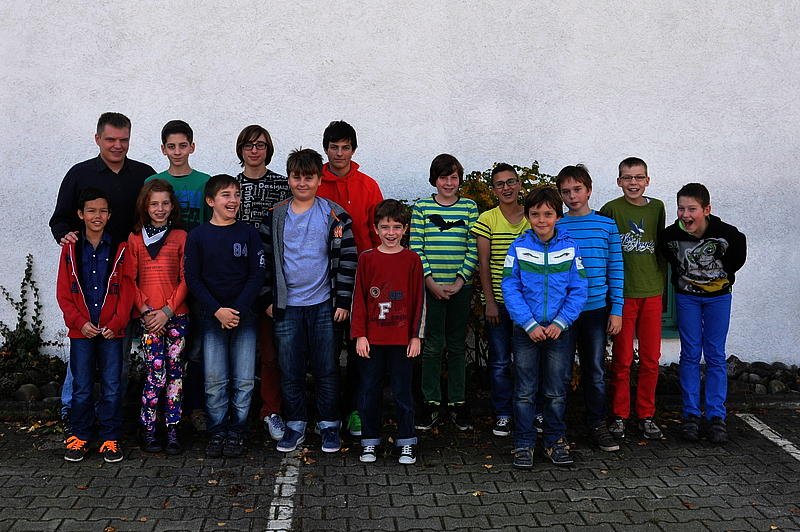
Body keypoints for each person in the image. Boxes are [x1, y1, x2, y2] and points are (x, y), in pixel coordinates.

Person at [50, 112, 155, 424]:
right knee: (82, 347)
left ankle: (111, 415)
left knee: (117, 345)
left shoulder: (143, 175)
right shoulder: (79, 174)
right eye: (110, 139)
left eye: (124, 140)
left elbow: (155, 216)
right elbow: (60, 219)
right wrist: (64, 235)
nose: (117, 146)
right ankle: (72, 410)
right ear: (97, 139)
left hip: (126, 271)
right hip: (87, 272)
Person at [261, 148, 357, 454]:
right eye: (296, 177)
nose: (302, 183)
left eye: (309, 177)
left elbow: (348, 260)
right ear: (289, 179)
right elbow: (264, 261)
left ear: (319, 179)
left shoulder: (335, 215)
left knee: (326, 367)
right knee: (290, 368)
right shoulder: (275, 215)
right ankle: (296, 423)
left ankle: (329, 424)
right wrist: (267, 298)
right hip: (287, 306)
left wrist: (343, 301)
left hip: (324, 305)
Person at [501, 186, 588, 469]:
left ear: (558, 217)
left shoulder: (570, 247)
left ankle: (554, 441)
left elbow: (579, 288)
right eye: (535, 214)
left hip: (559, 332)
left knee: (556, 391)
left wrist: (561, 322)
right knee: (524, 391)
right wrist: (528, 323)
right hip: (526, 331)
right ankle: (524, 443)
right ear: (527, 216)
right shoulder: (518, 247)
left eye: (548, 214)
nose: (542, 220)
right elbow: (510, 287)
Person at [184, 174, 265, 458]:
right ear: (210, 201)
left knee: (244, 379)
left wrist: (237, 309)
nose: (233, 200)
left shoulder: (249, 234)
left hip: (244, 317)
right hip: (211, 317)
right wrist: (217, 310)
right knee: (215, 380)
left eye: (236, 195)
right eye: (226, 195)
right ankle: (217, 430)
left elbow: (257, 275)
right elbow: (193, 279)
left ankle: (237, 431)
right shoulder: (198, 236)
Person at [659, 183, 746, 444]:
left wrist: (721, 277)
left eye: (692, 209)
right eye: (681, 209)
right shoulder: (670, 236)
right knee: (690, 353)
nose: (685, 215)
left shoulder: (727, 235)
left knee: (715, 354)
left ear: (706, 210)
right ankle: (691, 415)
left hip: (718, 298)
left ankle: (716, 416)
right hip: (687, 299)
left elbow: (736, 259)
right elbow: (670, 258)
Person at [57, 188, 135, 463]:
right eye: (91, 211)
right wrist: (80, 323)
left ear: (110, 214)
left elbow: (127, 289)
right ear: (80, 214)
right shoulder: (70, 249)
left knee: (112, 384)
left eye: (102, 211)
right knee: (82, 385)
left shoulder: (120, 248)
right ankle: (80, 436)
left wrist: (117, 322)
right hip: (82, 332)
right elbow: (63, 293)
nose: (97, 216)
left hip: (112, 331)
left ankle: (110, 438)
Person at [318, 120, 384, 438]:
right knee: (327, 350)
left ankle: (358, 410)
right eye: (334, 147)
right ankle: (328, 413)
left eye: (345, 147)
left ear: (354, 150)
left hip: (363, 280)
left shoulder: (368, 185)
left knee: (361, 348)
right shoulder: (315, 183)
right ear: (326, 149)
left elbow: (379, 232)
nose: (339, 153)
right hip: (324, 281)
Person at [145, 119, 211, 433]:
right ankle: (158, 411)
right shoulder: (153, 181)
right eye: (171, 146)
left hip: (198, 276)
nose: (177, 151)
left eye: (183, 145)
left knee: (195, 348)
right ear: (163, 149)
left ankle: (194, 406)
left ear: (192, 147)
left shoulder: (204, 182)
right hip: (163, 280)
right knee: (160, 353)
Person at [556, 165, 624, 452]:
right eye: (566, 192)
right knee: (559, 372)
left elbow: (616, 269)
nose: (572, 196)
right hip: (562, 313)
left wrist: (617, 309)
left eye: (577, 189)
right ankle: (557, 428)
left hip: (596, 310)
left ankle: (597, 424)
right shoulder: (556, 225)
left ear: (589, 190)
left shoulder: (606, 225)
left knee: (594, 371)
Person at [351, 199, 425, 465]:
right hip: (372, 340)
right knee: (369, 391)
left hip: (402, 340)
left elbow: (419, 301)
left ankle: (406, 441)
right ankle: (370, 440)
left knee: (403, 392)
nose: (391, 233)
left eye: (396, 227)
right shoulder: (367, 259)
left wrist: (416, 336)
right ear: (376, 228)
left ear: (405, 229)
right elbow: (359, 299)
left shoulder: (412, 260)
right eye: (385, 227)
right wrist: (360, 334)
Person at [410, 154, 478, 431]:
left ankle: (457, 403)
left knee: (457, 345)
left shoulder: (469, 207)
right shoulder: (422, 208)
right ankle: (431, 402)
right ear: (434, 179)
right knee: (433, 345)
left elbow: (474, 247)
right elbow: (416, 247)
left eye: (453, 177)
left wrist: (461, 279)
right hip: (430, 288)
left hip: (461, 287)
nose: (448, 183)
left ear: (460, 179)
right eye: (443, 177)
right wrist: (430, 282)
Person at [600, 157, 666, 440]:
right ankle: (619, 415)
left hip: (652, 292)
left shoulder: (658, 208)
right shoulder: (611, 209)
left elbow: (661, 247)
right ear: (619, 181)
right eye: (627, 178)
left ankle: (646, 414)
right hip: (623, 295)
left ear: (647, 180)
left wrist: (660, 282)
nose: (633, 183)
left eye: (639, 177)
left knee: (651, 358)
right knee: (622, 359)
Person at [233, 124, 291, 442]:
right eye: (249, 145)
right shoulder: (231, 187)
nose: (254, 150)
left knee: (271, 353)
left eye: (261, 145)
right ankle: (234, 414)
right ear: (240, 149)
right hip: (236, 283)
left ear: (268, 150)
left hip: (272, 280)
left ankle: (271, 410)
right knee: (236, 352)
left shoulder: (282, 186)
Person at [126, 180, 189, 455]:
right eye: (154, 204)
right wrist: (147, 312)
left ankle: (173, 428)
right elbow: (129, 279)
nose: (160, 208)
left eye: (165, 203)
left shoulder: (181, 237)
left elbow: (186, 278)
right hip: (149, 319)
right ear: (145, 206)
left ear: (172, 206)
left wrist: (167, 311)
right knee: (156, 372)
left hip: (176, 316)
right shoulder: (135, 239)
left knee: (176, 374)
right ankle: (149, 427)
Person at [471, 163, 528, 438]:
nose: (506, 188)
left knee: (528, 362)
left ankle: (529, 411)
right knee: (500, 361)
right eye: (500, 184)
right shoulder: (488, 219)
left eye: (511, 182)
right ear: (493, 189)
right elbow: (483, 264)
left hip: (528, 306)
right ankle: (503, 413)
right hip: (500, 303)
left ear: (519, 184)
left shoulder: (532, 216)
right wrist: (489, 302)